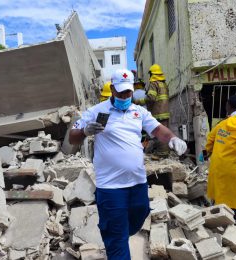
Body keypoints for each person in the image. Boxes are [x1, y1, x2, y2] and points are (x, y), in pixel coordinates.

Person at [69, 69, 187, 259]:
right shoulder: (97, 111)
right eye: (121, 92)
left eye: (128, 92)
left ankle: (117, 229)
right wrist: (85, 130)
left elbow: (157, 129)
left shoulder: (138, 112)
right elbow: (72, 138)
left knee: (140, 213)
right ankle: (115, 234)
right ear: (113, 89)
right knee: (117, 239)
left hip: (137, 183)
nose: (125, 96)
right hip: (111, 187)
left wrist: (173, 139)